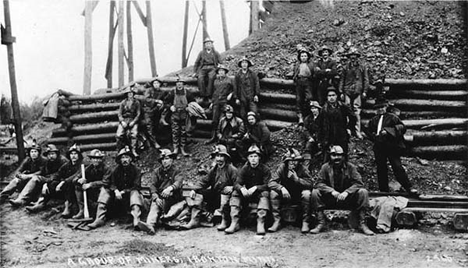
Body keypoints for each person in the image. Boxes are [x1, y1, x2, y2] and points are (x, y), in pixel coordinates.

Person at [310, 145, 374, 235]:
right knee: (315, 192)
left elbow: (359, 183)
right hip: (331, 199)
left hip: (347, 199)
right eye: (334, 155)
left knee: (363, 192)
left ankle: (362, 223)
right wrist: (331, 191)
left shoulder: (350, 167)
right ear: (330, 156)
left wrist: (347, 192)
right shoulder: (325, 167)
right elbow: (318, 183)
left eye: (339, 155)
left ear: (343, 156)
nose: (337, 158)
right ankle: (321, 222)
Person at [81, 146, 144, 231]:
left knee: (135, 193)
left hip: (129, 195)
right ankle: (99, 219)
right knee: (105, 190)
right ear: (120, 160)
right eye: (123, 158)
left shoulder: (137, 170)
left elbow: (136, 186)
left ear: (131, 159)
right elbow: (111, 183)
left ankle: (136, 221)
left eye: (127, 157)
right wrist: (116, 190)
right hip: (117, 197)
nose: (125, 160)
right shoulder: (115, 170)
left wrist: (123, 192)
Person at [366, 100, 418, 195]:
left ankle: (408, 187)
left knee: (397, 166)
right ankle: (383, 190)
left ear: (386, 107)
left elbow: (402, 127)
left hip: (392, 146)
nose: (380, 110)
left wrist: (388, 131)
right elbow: (368, 131)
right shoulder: (373, 120)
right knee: (381, 168)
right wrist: (374, 137)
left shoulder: (392, 117)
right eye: (378, 108)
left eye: (382, 107)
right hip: (379, 146)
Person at [182, 145, 238, 232]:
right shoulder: (214, 169)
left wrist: (232, 187)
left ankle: (224, 220)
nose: (219, 159)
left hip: (226, 198)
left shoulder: (231, 169)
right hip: (215, 195)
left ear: (225, 157)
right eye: (217, 156)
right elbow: (204, 181)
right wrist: (194, 189)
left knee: (225, 197)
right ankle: (195, 219)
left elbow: (239, 184)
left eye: (221, 156)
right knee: (197, 193)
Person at [25, 144, 83, 217]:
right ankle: (42, 203)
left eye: (75, 154)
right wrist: (46, 183)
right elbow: (58, 174)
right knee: (52, 183)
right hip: (64, 188)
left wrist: (63, 182)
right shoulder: (68, 164)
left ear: (79, 155)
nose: (73, 156)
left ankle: (68, 206)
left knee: (69, 184)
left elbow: (76, 175)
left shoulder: (82, 164)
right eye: (71, 154)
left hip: (75, 189)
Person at [137, 149, 183, 235]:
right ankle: (150, 226)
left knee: (159, 203)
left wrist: (170, 188)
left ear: (172, 160)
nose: (164, 161)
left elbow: (178, 182)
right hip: (161, 197)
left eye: (167, 158)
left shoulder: (177, 171)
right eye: (163, 159)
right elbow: (152, 185)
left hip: (174, 198)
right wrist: (155, 196)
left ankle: (151, 224)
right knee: (156, 202)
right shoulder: (157, 171)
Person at [268, 148, 314, 233]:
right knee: (273, 193)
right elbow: (271, 183)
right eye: (290, 161)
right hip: (285, 195)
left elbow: (311, 183)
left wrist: (297, 179)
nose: (293, 163)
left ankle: (305, 221)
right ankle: (276, 220)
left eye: (296, 161)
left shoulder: (302, 168)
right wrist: (281, 188)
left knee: (307, 194)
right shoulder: (282, 168)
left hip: (299, 196)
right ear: (286, 162)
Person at [234, 145, 270, 235]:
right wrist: (242, 188)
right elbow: (237, 183)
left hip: (259, 194)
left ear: (259, 158)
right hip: (248, 195)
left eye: (255, 156)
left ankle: (260, 222)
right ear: (248, 158)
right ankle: (234, 222)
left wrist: (256, 187)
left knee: (265, 194)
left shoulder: (265, 169)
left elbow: (268, 185)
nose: (253, 159)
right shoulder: (244, 169)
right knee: (235, 193)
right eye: (251, 156)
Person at [70, 149, 111, 219]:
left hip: (103, 192)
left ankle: (100, 215)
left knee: (103, 190)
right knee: (77, 187)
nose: (96, 160)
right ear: (91, 159)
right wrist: (79, 180)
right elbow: (75, 178)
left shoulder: (106, 168)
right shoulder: (89, 168)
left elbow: (106, 182)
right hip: (92, 191)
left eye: (98, 159)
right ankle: (82, 210)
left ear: (101, 160)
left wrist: (90, 184)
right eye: (94, 158)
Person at [317, 88, 356, 162]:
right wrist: (320, 139)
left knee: (343, 157)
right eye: (329, 96)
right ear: (327, 97)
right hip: (328, 137)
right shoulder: (324, 109)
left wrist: (349, 128)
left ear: (337, 96)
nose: (331, 97)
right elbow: (320, 125)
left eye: (333, 95)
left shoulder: (342, 107)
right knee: (327, 159)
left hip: (341, 135)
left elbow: (353, 117)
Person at [339, 47, 370, 139]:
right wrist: (341, 92)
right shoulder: (345, 67)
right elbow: (342, 80)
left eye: (355, 56)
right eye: (351, 56)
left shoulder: (362, 67)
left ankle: (357, 131)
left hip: (357, 91)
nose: (353, 57)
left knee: (357, 111)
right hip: (347, 91)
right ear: (349, 57)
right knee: (347, 110)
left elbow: (366, 80)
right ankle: (348, 130)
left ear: (357, 57)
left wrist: (364, 91)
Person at [165, 77, 195, 157]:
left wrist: (189, 107)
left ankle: (183, 148)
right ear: (176, 84)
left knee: (183, 132)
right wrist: (170, 107)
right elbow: (166, 102)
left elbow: (193, 102)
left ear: (183, 84)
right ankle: (175, 148)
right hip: (175, 114)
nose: (179, 85)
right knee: (175, 131)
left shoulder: (187, 93)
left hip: (184, 114)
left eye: (181, 83)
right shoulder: (172, 92)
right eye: (178, 84)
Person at [206, 64, 234, 144]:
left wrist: (231, 94)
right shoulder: (216, 81)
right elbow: (214, 92)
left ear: (225, 72)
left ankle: (222, 138)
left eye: (223, 71)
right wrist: (212, 102)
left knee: (223, 119)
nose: (221, 72)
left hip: (225, 102)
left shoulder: (229, 80)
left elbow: (235, 89)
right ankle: (213, 137)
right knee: (214, 120)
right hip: (216, 102)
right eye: (219, 71)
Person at [141, 78, 168, 149]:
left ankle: (159, 141)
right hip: (148, 111)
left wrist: (161, 104)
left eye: (157, 83)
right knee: (149, 126)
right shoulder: (149, 90)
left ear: (160, 84)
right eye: (154, 83)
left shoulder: (162, 92)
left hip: (157, 111)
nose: (156, 85)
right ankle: (154, 142)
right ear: (152, 85)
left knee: (156, 126)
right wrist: (156, 101)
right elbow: (145, 99)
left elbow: (165, 101)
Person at [116, 86, 141, 157]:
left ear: (133, 94)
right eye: (128, 93)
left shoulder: (137, 102)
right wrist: (122, 121)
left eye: (131, 93)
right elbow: (119, 114)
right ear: (126, 94)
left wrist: (134, 122)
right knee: (119, 135)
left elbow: (138, 114)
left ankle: (133, 150)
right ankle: (119, 151)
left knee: (134, 134)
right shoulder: (123, 102)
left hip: (133, 120)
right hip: (124, 120)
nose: (130, 94)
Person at [292, 48, 315, 125]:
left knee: (309, 97)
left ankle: (309, 115)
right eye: (302, 56)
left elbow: (314, 72)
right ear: (300, 57)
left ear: (308, 57)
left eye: (305, 56)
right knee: (299, 99)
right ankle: (300, 117)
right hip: (299, 82)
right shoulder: (297, 65)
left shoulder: (311, 64)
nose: (304, 57)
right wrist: (295, 79)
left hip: (308, 82)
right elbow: (295, 73)